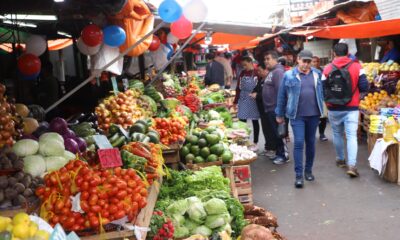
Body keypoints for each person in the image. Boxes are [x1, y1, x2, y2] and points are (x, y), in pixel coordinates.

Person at [275, 49, 325, 188]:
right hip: (297, 115)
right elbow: (281, 96)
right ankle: (298, 175)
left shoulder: (317, 74)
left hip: (314, 114)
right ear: (298, 59)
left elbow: (322, 92)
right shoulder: (289, 75)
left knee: (310, 142)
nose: (306, 64)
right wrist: (279, 114)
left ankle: (308, 170)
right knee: (298, 142)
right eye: (304, 61)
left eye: (309, 62)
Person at [322, 43, 368, 178]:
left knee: (337, 133)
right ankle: (352, 165)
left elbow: (322, 89)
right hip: (351, 107)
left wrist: (328, 103)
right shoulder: (357, 66)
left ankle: (340, 159)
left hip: (333, 107)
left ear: (334, 54)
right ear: (348, 53)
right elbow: (364, 86)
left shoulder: (327, 69)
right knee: (351, 136)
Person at [263, 51, 288, 164]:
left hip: (275, 109)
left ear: (275, 59)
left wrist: (280, 111)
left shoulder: (278, 72)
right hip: (270, 109)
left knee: (280, 134)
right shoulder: (272, 71)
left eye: (268, 59)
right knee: (275, 133)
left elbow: (281, 92)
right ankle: (279, 153)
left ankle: (283, 155)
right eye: (265, 59)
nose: (266, 61)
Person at [233, 57, 260, 151]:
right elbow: (238, 87)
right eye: (242, 65)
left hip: (253, 100)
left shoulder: (257, 72)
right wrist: (235, 101)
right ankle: (243, 141)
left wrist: (257, 93)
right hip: (243, 98)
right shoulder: (242, 73)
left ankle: (255, 142)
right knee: (242, 122)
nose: (244, 67)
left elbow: (260, 86)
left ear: (250, 62)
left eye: (245, 64)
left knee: (255, 122)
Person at [251, 64, 270, 154]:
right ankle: (268, 147)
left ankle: (272, 148)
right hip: (262, 108)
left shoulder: (268, 80)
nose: (258, 73)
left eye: (260, 71)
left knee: (269, 129)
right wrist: (254, 92)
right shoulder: (261, 79)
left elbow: (268, 94)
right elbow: (256, 88)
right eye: (257, 71)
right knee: (265, 129)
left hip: (267, 108)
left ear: (266, 70)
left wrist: (257, 95)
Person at [311, 56, 328, 141]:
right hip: (311, 99)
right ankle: (311, 134)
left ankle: (322, 133)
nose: (315, 63)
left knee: (323, 117)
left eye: (317, 61)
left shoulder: (323, 72)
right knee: (312, 117)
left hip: (321, 98)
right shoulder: (307, 72)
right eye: (313, 61)